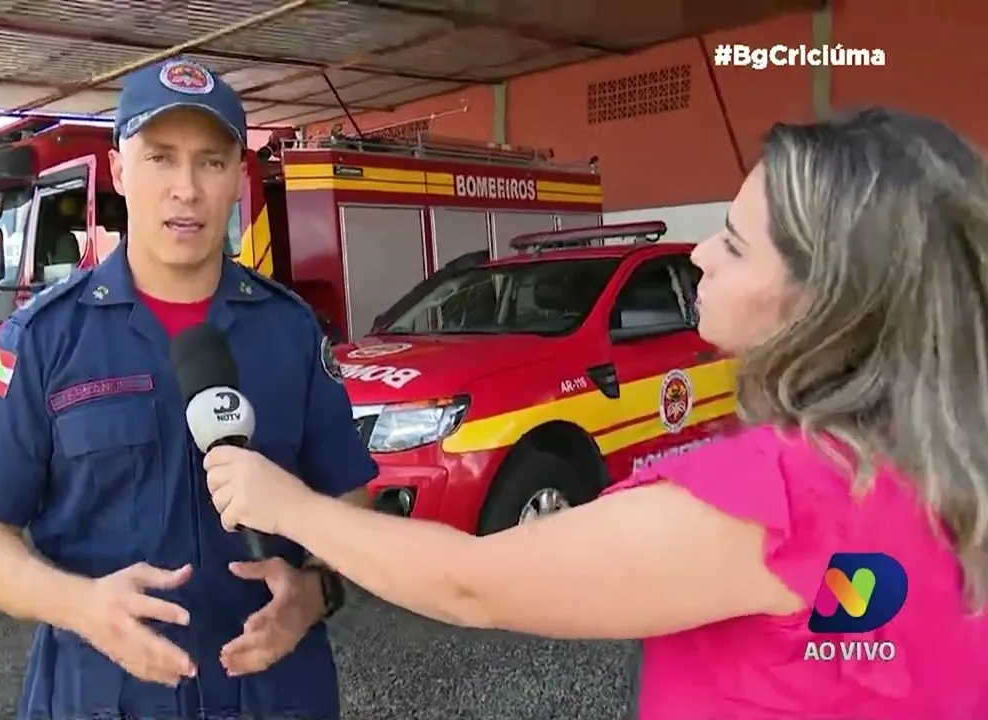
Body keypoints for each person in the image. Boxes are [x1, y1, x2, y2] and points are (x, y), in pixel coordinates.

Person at [201, 108, 988, 718]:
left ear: (831, 299)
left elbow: (469, 584)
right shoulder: (939, 456)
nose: (699, 255)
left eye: (735, 243)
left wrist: (289, 505)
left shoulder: (780, 496)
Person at [0, 57, 376, 720]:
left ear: (236, 177)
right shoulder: (44, 339)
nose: (186, 189)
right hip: (102, 697)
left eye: (211, 162)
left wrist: (315, 592)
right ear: (119, 171)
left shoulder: (290, 332)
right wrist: (82, 607)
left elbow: (349, 494)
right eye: (160, 158)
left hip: (274, 692)